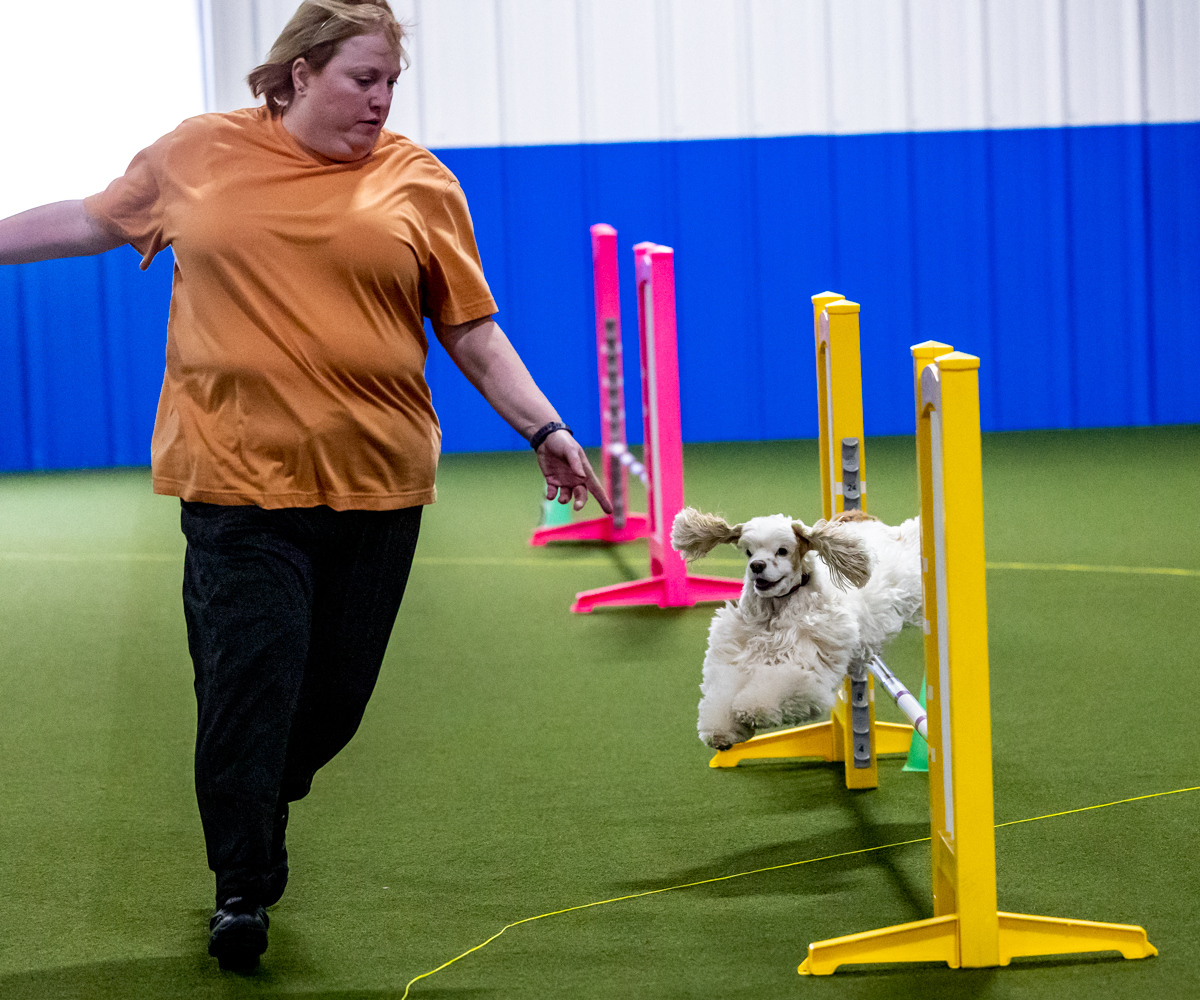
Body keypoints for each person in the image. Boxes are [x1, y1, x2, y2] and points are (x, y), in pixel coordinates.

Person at [0, 0, 609, 972]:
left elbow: (470, 328)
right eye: (363, 78)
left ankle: (263, 791)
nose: (380, 99)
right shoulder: (198, 154)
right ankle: (241, 887)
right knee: (249, 686)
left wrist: (546, 427)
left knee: (329, 706)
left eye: (390, 83)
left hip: (378, 484)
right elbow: (89, 220)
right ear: (298, 74)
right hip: (235, 482)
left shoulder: (419, 181)